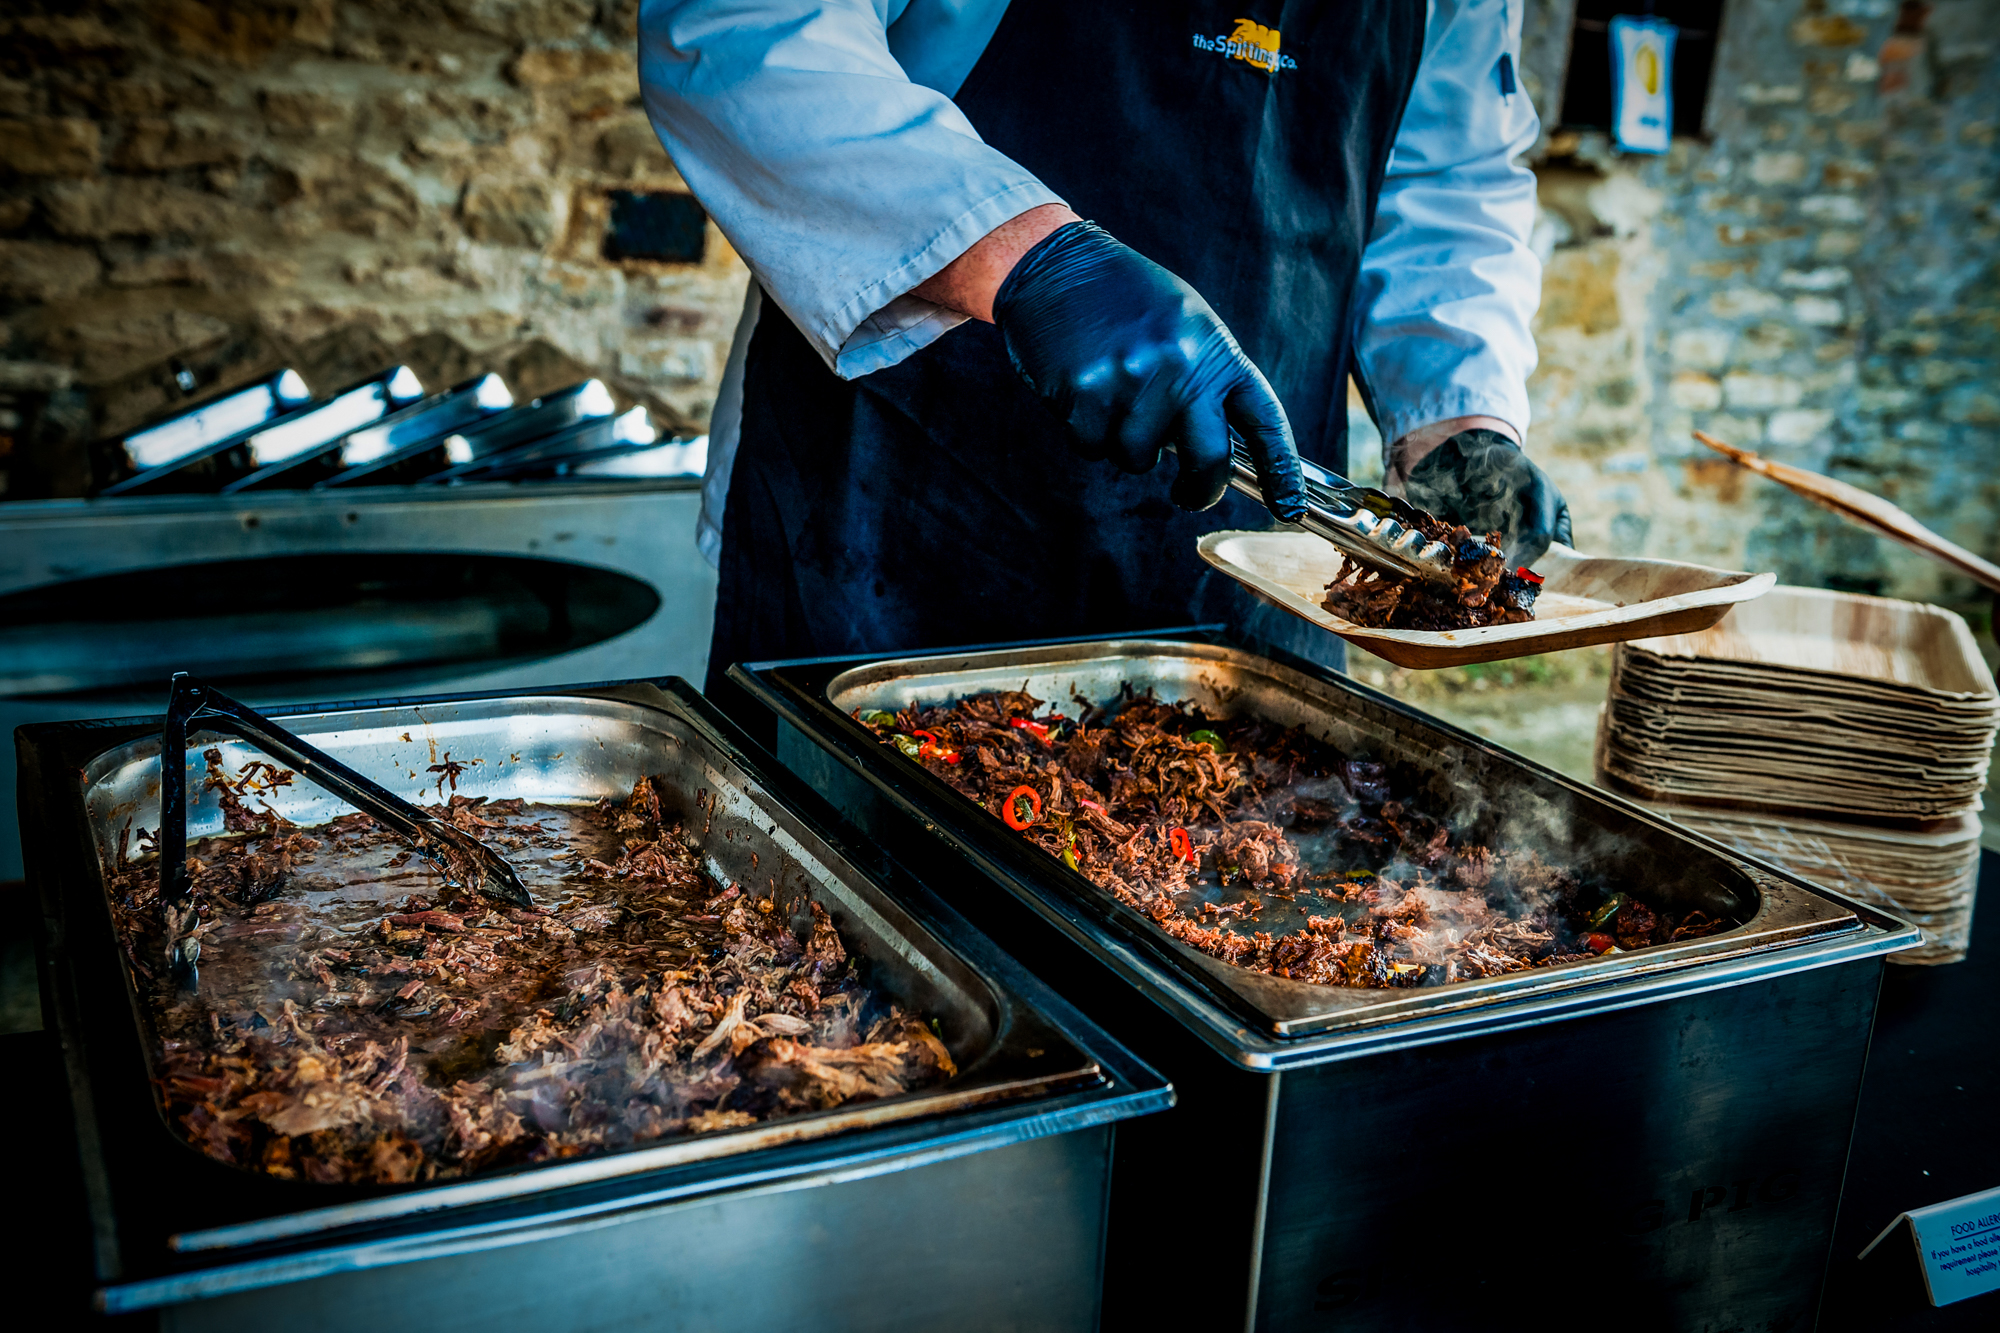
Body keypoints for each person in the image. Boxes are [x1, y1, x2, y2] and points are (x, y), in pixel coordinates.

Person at [638, 0, 1571, 695]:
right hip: (891, 510)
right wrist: (1034, 262)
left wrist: (1460, 412)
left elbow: (1446, 174)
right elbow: (747, 31)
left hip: (1246, 551)